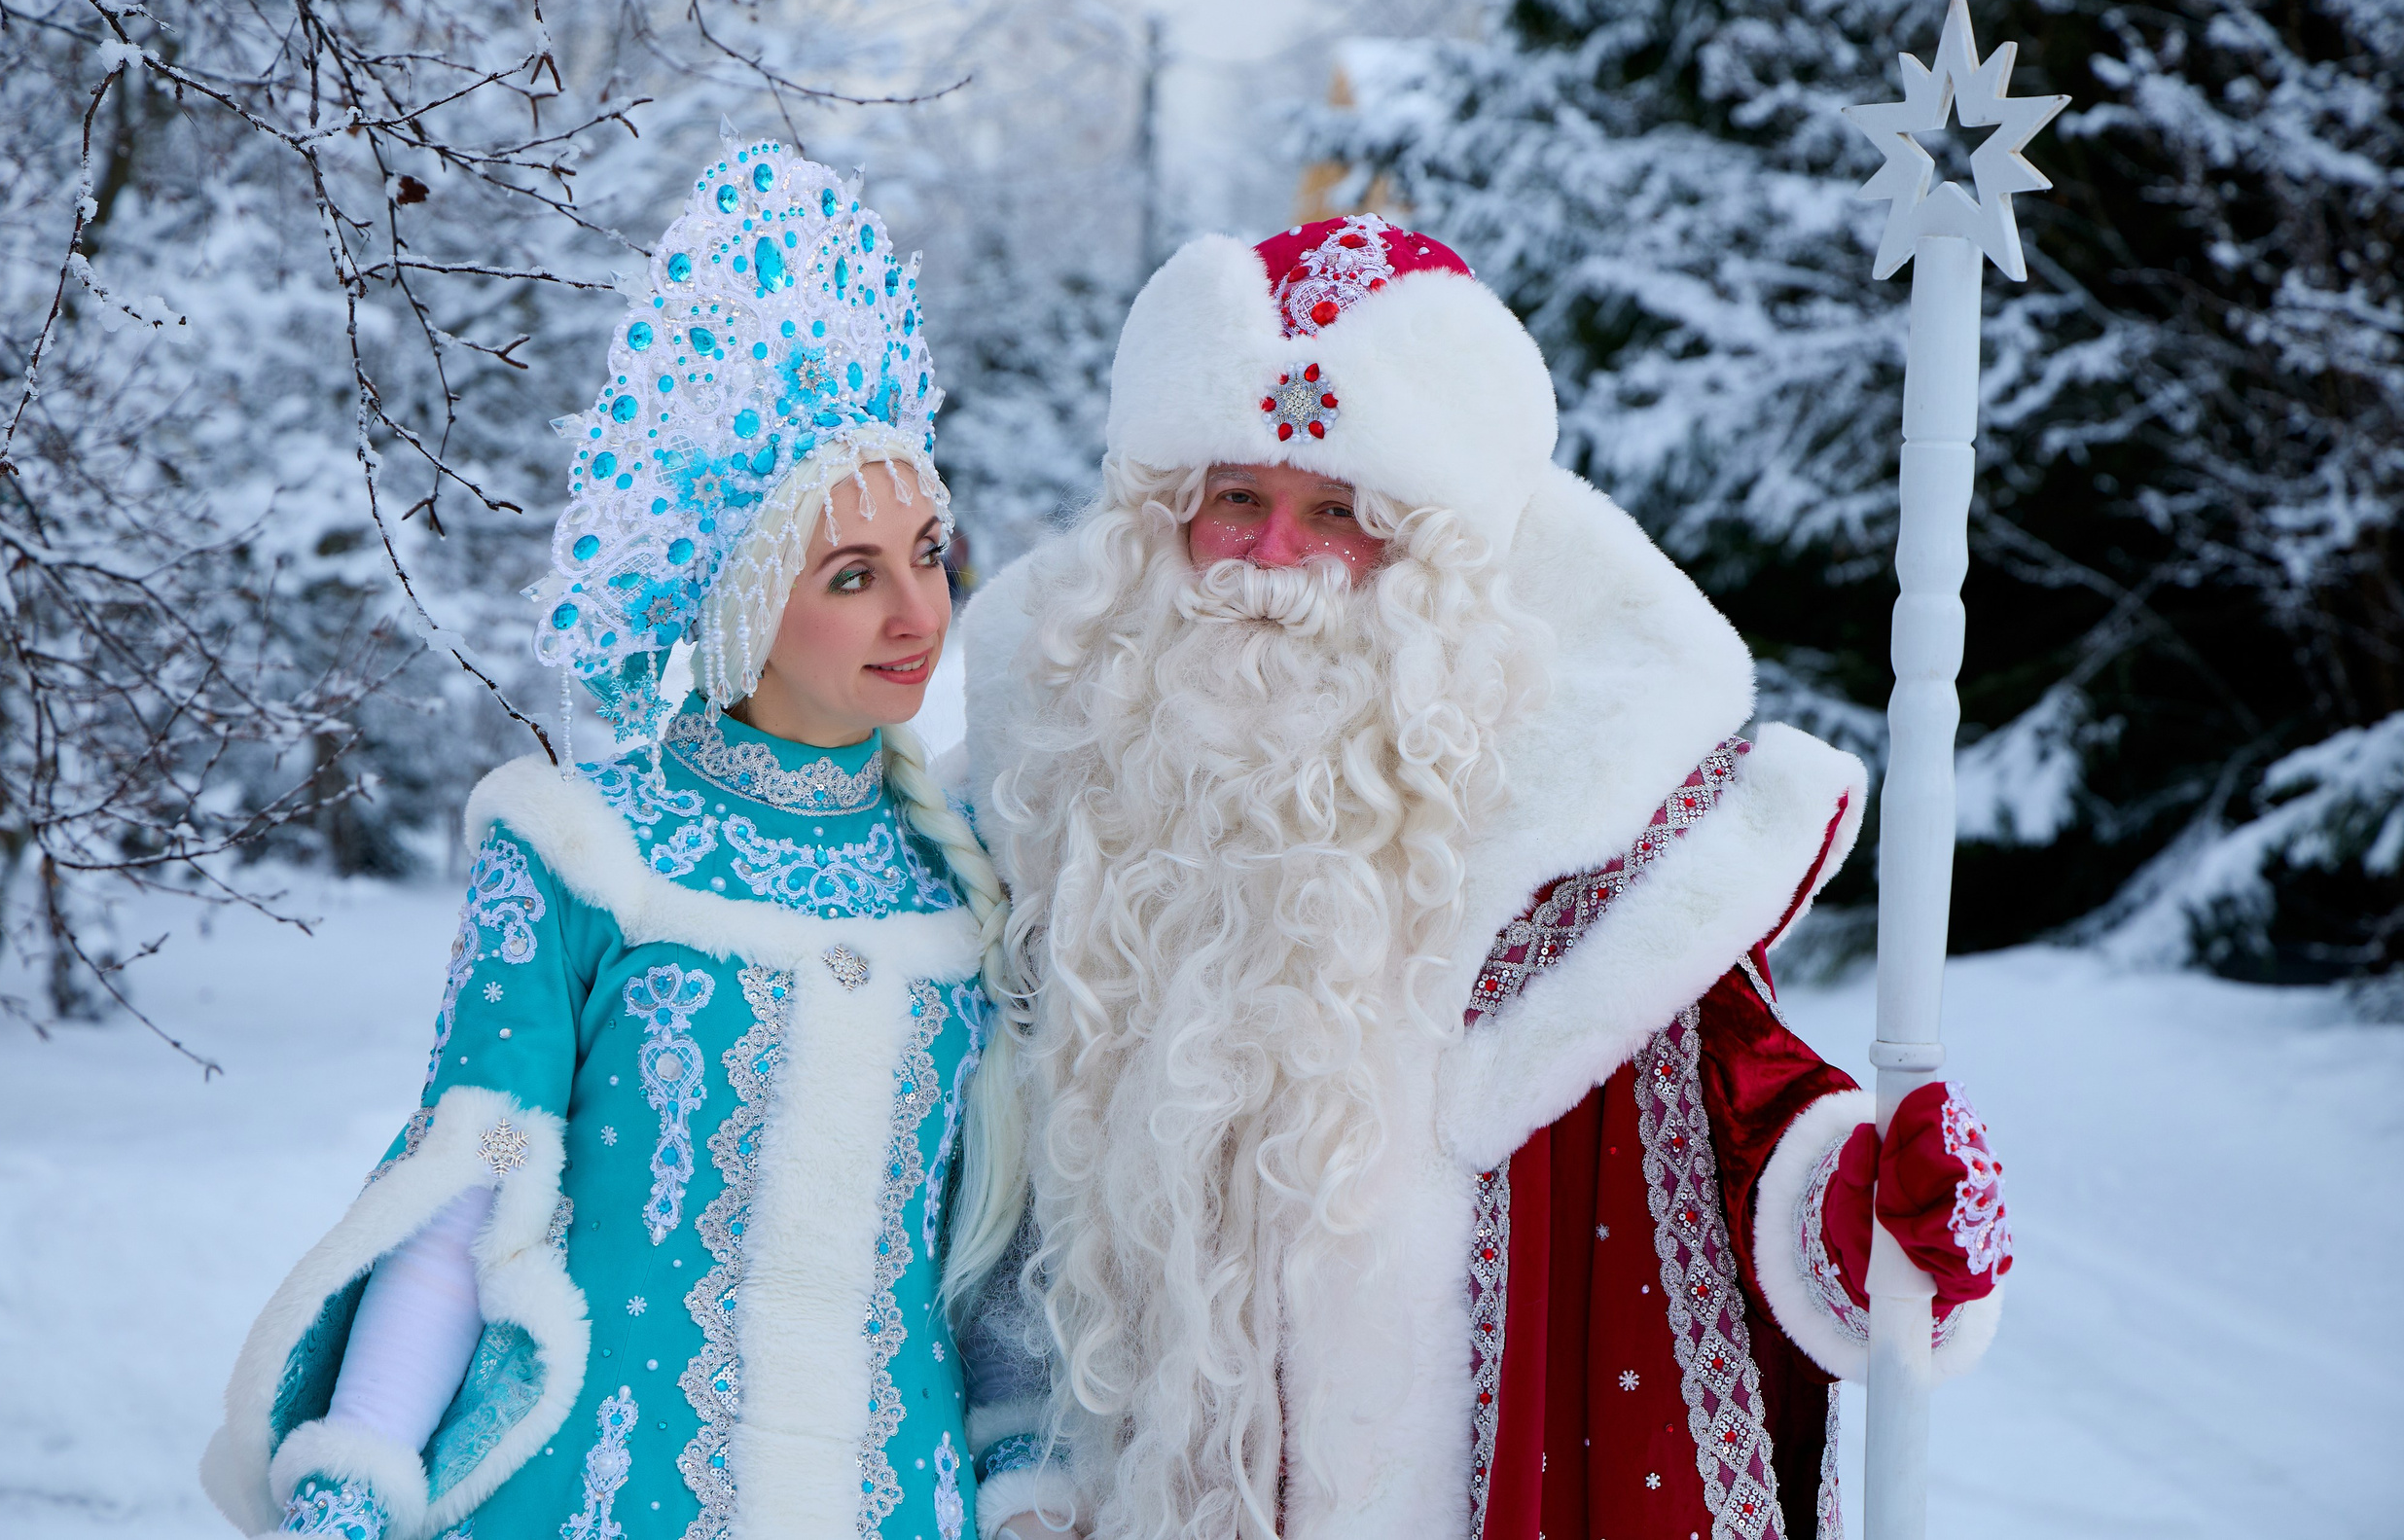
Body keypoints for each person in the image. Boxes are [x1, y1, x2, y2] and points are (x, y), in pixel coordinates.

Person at [953, 216, 2017, 1540]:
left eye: (1338, 514)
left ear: (1431, 570)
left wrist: (1863, 1204)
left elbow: (1734, 1106)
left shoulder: (1588, 843)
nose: (1272, 561)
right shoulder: (1043, 802)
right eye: (1237, 500)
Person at [202, 143, 1030, 1540]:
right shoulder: (584, 848)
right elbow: (466, 1203)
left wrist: (1023, 1483)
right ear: (743, 600)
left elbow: (989, 1271)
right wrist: (353, 1484)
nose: (918, 612)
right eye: (852, 574)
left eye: (928, 554)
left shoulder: (962, 885)